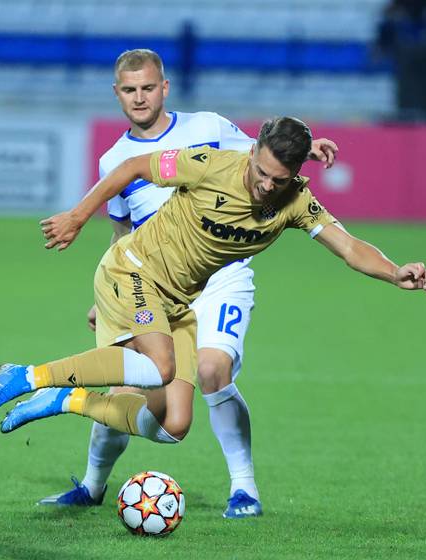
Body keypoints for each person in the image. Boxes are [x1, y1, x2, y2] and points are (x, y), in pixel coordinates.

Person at [0, 116, 426, 486]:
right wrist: (78, 217)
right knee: (160, 368)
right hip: (134, 269)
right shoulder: (211, 164)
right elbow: (134, 167)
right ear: (251, 152)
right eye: (262, 173)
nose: (267, 186)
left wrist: (395, 272)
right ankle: (28, 376)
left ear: (295, 176)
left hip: (178, 300)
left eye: (280, 179)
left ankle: (64, 402)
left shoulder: (296, 201)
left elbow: (349, 246)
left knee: (173, 426)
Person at [34, 49, 339, 519]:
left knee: (215, 369)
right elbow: (121, 234)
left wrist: (309, 144)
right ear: (117, 95)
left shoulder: (209, 128)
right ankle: (93, 486)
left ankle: (245, 490)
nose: (140, 98)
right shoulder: (114, 159)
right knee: (128, 393)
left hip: (220, 276)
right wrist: (107, 300)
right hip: (150, 280)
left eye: (148, 88)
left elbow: (268, 156)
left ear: (165, 88)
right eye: (130, 90)